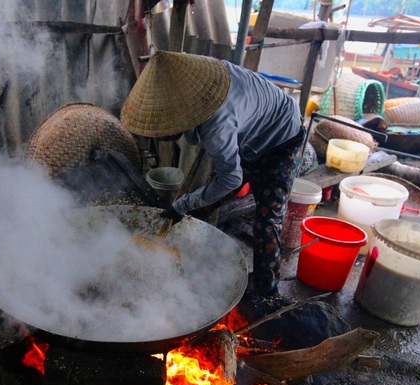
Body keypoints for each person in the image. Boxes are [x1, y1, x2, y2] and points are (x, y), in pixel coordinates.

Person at [120, 51, 305, 297]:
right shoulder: (196, 82)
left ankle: (267, 292)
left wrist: (182, 204)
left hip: (282, 136)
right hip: (252, 130)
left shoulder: (216, 127)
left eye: (162, 128)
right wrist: (186, 206)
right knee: (205, 202)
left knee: (267, 218)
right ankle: (188, 252)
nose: (161, 134)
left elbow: (232, 179)